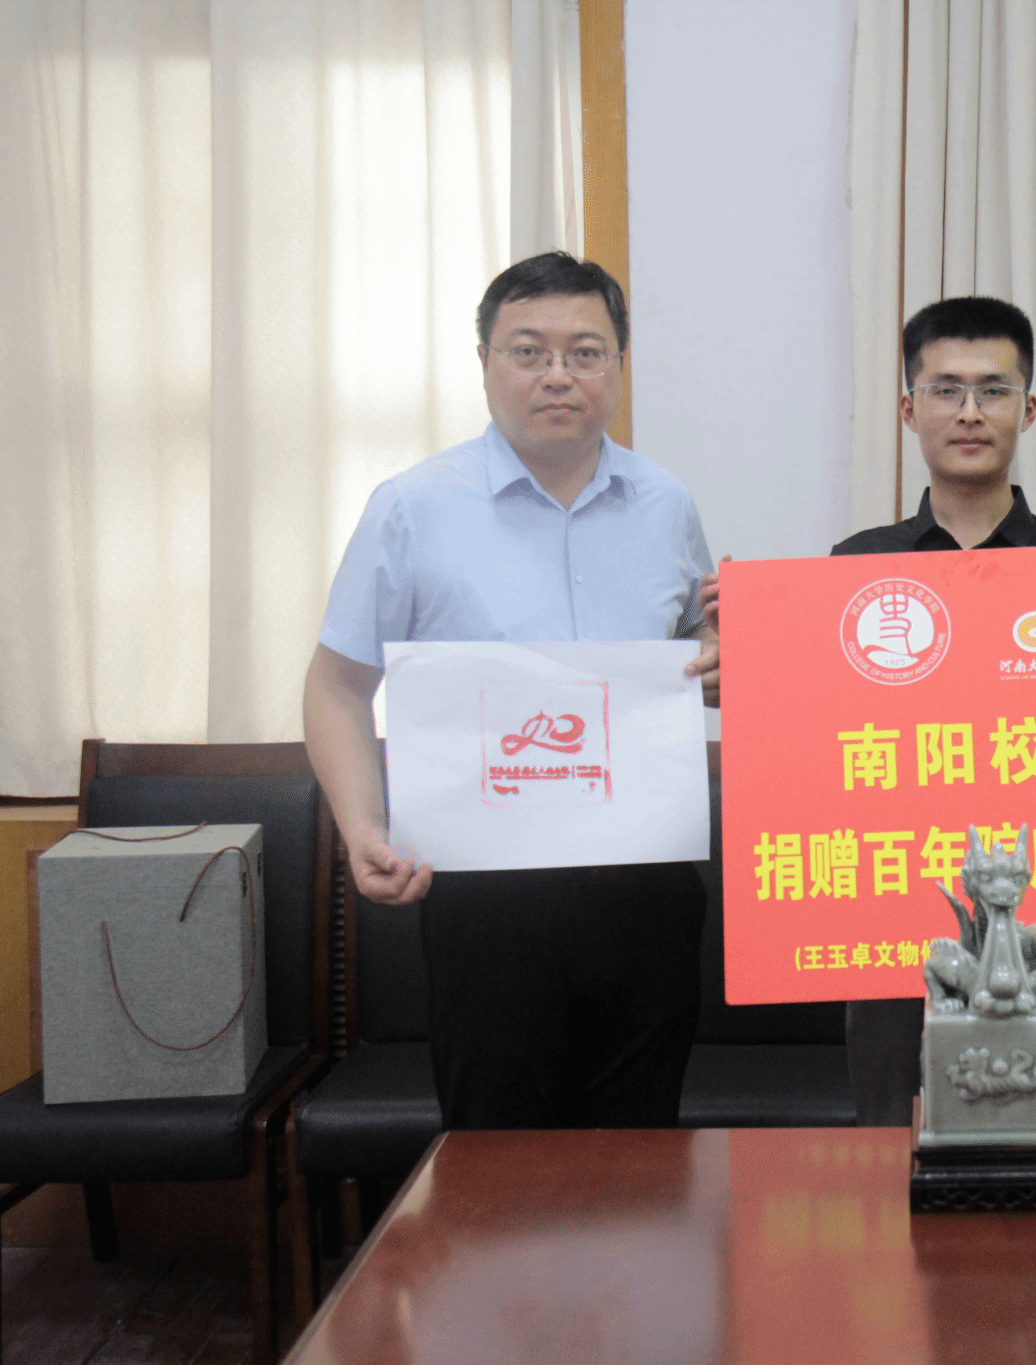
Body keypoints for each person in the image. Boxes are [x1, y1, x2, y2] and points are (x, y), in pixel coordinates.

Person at [302, 250, 721, 1130]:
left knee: (640, 1159)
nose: (557, 375)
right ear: (485, 361)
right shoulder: (412, 506)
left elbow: (696, 651)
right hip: (485, 897)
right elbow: (338, 686)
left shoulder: (666, 504)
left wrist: (720, 657)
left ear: (619, 363)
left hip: (645, 887)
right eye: (528, 351)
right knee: (496, 1162)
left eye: (585, 352)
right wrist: (363, 828)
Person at [832, 295, 1036, 1125]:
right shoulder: (850, 569)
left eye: (993, 390)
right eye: (946, 390)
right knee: (890, 1147)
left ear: (1028, 408)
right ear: (909, 409)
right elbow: (825, 747)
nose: (970, 412)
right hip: (890, 909)